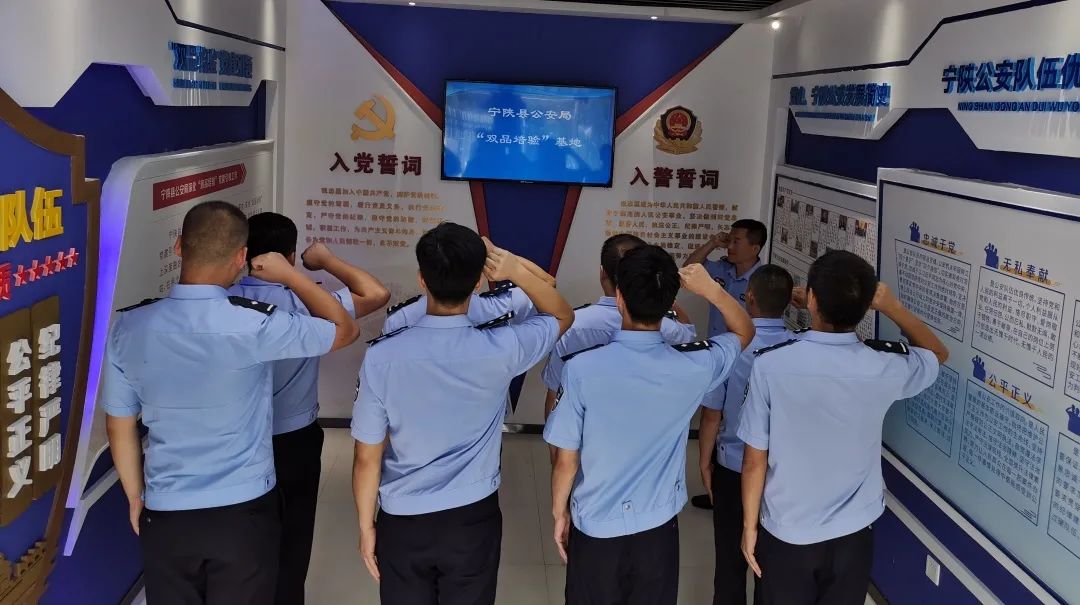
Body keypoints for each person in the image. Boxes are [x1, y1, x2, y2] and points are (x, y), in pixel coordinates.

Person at [104, 201, 360, 605]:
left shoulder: (129, 327)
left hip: (166, 510)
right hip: (243, 511)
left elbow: (119, 425)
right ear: (242, 257)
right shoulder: (254, 323)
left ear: (178, 246)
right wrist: (291, 275)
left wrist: (137, 497)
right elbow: (344, 331)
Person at [351, 223, 573, 605]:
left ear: (422, 279)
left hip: (403, 517)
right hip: (472, 516)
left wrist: (365, 526)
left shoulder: (382, 356)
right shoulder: (503, 347)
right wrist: (512, 268)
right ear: (478, 282)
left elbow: (366, 457)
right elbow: (562, 314)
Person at [544, 249, 754, 605]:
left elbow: (566, 461)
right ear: (669, 301)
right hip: (658, 528)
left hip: (596, 524)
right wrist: (711, 290)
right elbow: (744, 330)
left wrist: (559, 511)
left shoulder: (581, 370)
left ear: (619, 298)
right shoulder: (695, 366)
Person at [738, 251, 949, 605]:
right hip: (854, 532)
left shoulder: (771, 365)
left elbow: (754, 461)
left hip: (789, 529)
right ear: (866, 307)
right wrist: (892, 307)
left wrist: (749, 526)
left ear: (811, 300)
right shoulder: (884, 366)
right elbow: (937, 354)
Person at [227, 212, 390, 605]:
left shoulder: (223, 301)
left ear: (243, 252)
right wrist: (325, 261)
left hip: (233, 440)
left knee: (238, 538)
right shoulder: (307, 302)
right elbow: (376, 293)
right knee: (293, 536)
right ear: (290, 255)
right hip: (293, 442)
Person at [697, 264, 795, 605]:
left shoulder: (730, 347)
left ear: (749, 297)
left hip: (734, 468)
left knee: (729, 559)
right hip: (781, 473)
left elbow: (712, 415)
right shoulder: (799, 346)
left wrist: (705, 461)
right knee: (772, 562)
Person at [541, 234, 697, 430]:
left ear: (602, 273)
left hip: (582, 436)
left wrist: (554, 447)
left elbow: (554, 394)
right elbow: (688, 333)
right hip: (647, 433)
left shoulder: (571, 324)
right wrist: (660, 294)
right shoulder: (669, 328)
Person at [685, 218, 768, 510]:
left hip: (748, 360)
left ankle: (737, 487)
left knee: (741, 422)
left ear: (755, 248)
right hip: (718, 357)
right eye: (729, 239)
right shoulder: (721, 270)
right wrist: (712, 243)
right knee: (711, 417)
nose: (730, 246)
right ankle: (712, 484)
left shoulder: (763, 280)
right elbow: (688, 269)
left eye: (736, 241)